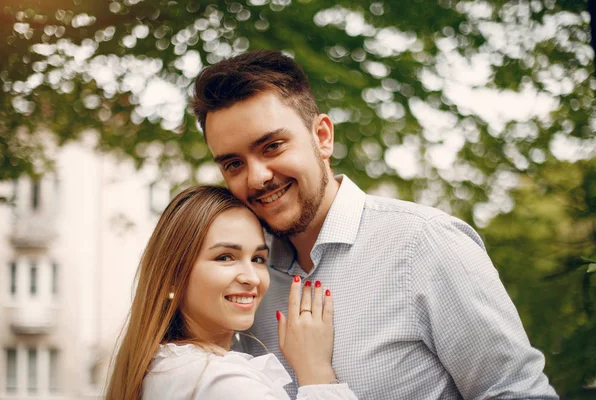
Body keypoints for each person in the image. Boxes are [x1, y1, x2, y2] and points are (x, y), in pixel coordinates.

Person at [192, 50, 559, 399]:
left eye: (271, 146)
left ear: (322, 137)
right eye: (233, 164)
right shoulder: (248, 281)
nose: (257, 177)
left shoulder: (425, 243)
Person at [105, 186, 358, 399]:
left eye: (258, 259)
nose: (251, 278)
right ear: (173, 276)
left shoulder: (160, 368)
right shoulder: (223, 382)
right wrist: (316, 374)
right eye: (225, 257)